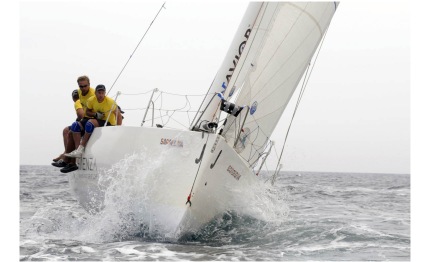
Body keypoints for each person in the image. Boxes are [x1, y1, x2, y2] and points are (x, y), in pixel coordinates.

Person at [61, 84, 122, 172]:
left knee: (90, 123)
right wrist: (95, 114)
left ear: (105, 93)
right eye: (99, 93)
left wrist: (118, 129)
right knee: (75, 126)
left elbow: (119, 115)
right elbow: (88, 112)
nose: (101, 95)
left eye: (102, 93)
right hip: (97, 119)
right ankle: (76, 155)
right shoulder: (91, 100)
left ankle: (80, 148)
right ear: (95, 93)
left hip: (108, 122)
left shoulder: (110, 102)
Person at [57, 76, 95, 172]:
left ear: (89, 85)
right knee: (70, 131)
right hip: (86, 118)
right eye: (80, 86)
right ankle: (69, 161)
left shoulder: (93, 93)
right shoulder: (80, 93)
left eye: (85, 86)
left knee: (72, 128)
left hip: (93, 119)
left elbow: (81, 114)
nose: (83, 88)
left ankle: (69, 159)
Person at [51, 89, 84, 167]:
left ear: (73, 99)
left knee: (66, 131)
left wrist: (79, 119)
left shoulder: (77, 102)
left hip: (84, 123)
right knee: (68, 130)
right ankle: (66, 153)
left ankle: (66, 154)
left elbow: (81, 115)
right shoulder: (83, 101)